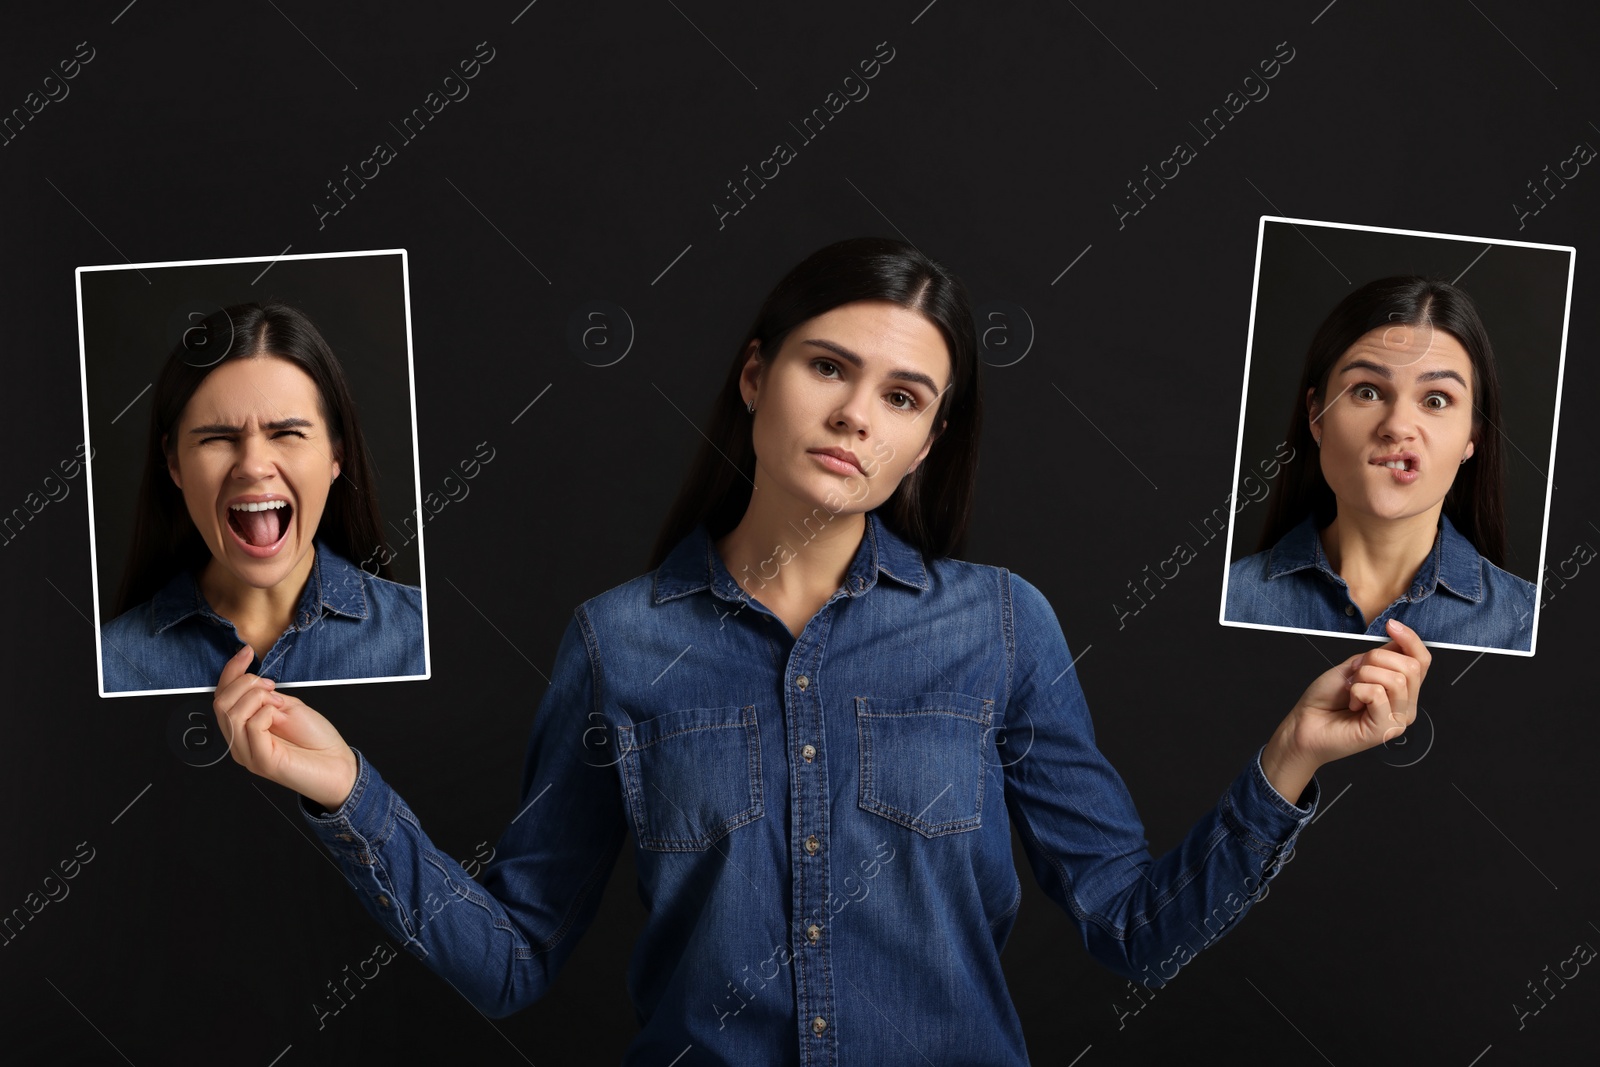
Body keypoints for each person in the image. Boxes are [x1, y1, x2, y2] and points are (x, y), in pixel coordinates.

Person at [216, 239, 1429, 1064]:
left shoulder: (999, 625)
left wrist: (1289, 757)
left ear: (927, 440)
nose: (856, 413)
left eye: (903, 397)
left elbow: (1128, 924)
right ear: (757, 376)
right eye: (828, 366)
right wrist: (346, 796)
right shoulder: (620, 639)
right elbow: (517, 957)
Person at [99, 301, 425, 693]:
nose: (253, 467)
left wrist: (346, 760)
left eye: (287, 434)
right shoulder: (109, 666)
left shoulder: (422, 636)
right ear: (175, 463)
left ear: (338, 454)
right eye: (217, 437)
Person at [1225, 276, 1537, 652]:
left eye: (1436, 400)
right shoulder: (1227, 599)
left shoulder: (1527, 625)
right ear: (1316, 415)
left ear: (1473, 438)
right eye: (1367, 392)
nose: (1397, 427)